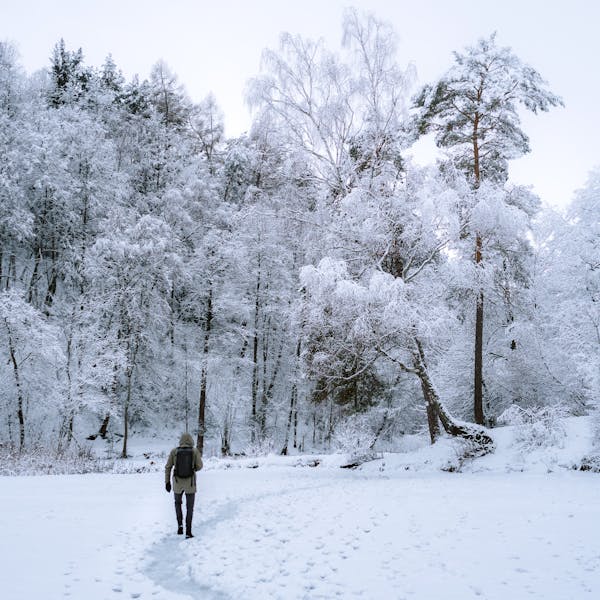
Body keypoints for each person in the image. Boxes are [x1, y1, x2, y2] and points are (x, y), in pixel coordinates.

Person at [164, 432, 203, 538]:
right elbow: (200, 466)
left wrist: (167, 482)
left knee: (177, 504)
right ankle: (188, 531)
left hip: (177, 483)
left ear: (181, 440)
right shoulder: (194, 451)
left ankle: (180, 526)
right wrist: (193, 468)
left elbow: (168, 467)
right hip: (190, 484)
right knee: (190, 507)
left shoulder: (174, 451)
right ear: (191, 440)